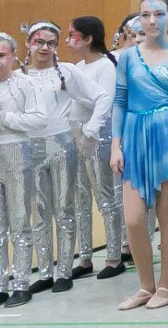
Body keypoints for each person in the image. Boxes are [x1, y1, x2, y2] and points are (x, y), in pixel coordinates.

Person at [112, 0, 168, 311]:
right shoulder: (128, 57)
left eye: (158, 14)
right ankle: (145, 285)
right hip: (134, 135)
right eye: (145, 15)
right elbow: (119, 102)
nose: (151, 21)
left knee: (167, 214)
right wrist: (116, 146)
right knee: (134, 219)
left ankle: (165, 284)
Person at [19, 20, 113, 294]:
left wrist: (91, 130)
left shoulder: (67, 72)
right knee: (39, 211)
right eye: (38, 42)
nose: (44, 47)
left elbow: (102, 97)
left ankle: (64, 271)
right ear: (28, 43)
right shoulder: (19, 76)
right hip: (31, 148)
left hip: (61, 145)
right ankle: (44, 271)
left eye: (50, 43)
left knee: (64, 208)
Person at [0, 33, 51, 310]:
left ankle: (21, 283)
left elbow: (40, 119)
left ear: (14, 55)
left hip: (17, 151)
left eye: (1, 55)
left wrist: (4, 117)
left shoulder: (26, 83)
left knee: (19, 220)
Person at [65, 16, 128, 280]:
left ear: (88, 39)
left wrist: (73, 92)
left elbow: (104, 102)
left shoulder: (106, 66)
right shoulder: (79, 66)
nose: (68, 40)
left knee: (106, 198)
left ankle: (114, 256)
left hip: (99, 135)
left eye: (73, 35)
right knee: (81, 198)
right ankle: (85, 257)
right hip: (77, 134)